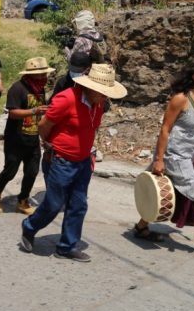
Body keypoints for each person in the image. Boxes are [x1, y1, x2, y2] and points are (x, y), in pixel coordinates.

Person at [20, 64, 126, 262]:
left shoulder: (99, 104)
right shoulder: (66, 99)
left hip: (83, 161)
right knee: (53, 204)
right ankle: (29, 227)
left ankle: (67, 246)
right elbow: (44, 126)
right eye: (103, 93)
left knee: (78, 205)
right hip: (60, 160)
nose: (105, 97)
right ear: (91, 87)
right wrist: (50, 146)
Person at [132, 58, 194, 259]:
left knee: (171, 192)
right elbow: (165, 129)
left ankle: (141, 226)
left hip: (187, 156)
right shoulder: (180, 99)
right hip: (173, 155)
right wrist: (160, 160)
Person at [0, 57, 54, 216]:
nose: (43, 77)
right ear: (31, 75)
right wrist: (34, 111)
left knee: (31, 172)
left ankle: (23, 200)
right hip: (15, 139)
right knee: (10, 171)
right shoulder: (17, 88)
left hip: (33, 139)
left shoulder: (40, 89)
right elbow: (12, 112)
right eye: (40, 74)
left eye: (44, 73)